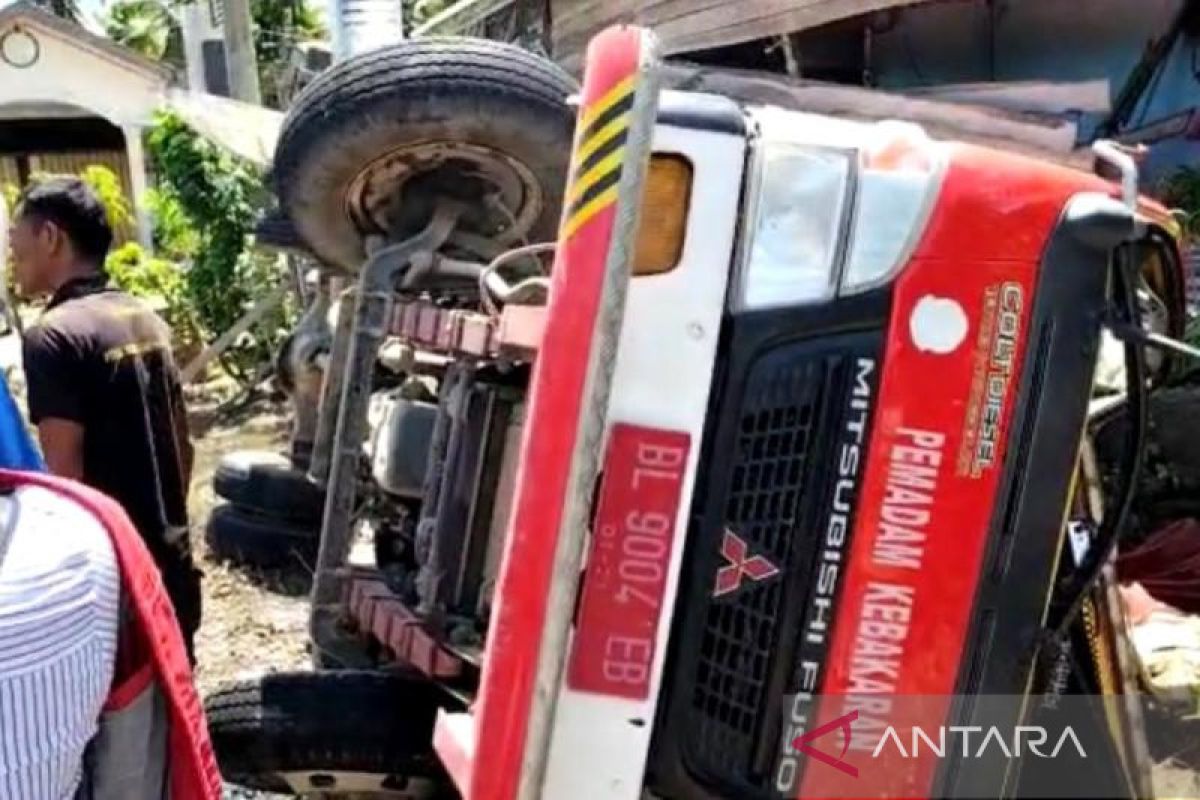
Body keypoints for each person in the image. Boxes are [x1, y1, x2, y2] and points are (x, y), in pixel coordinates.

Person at [7, 177, 202, 660]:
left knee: (122, 726)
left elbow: (65, 481)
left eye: (16, 243)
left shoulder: (53, 336)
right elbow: (184, 448)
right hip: (172, 563)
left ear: (51, 238)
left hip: (116, 578)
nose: (12, 258)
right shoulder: (143, 317)